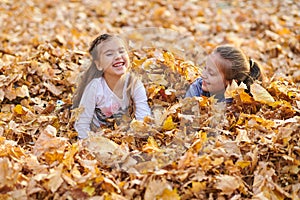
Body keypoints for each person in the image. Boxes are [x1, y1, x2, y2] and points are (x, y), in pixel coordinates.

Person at [72, 34, 151, 139]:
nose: (118, 56)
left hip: (122, 136)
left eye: (121, 51)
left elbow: (143, 115)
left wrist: (140, 138)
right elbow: (82, 122)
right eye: (109, 54)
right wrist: (85, 145)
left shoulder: (134, 83)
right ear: (99, 64)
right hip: (97, 136)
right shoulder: (95, 87)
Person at [185, 45, 264, 102]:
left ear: (231, 83)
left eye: (211, 74)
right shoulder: (197, 88)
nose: (203, 75)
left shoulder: (237, 105)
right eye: (205, 68)